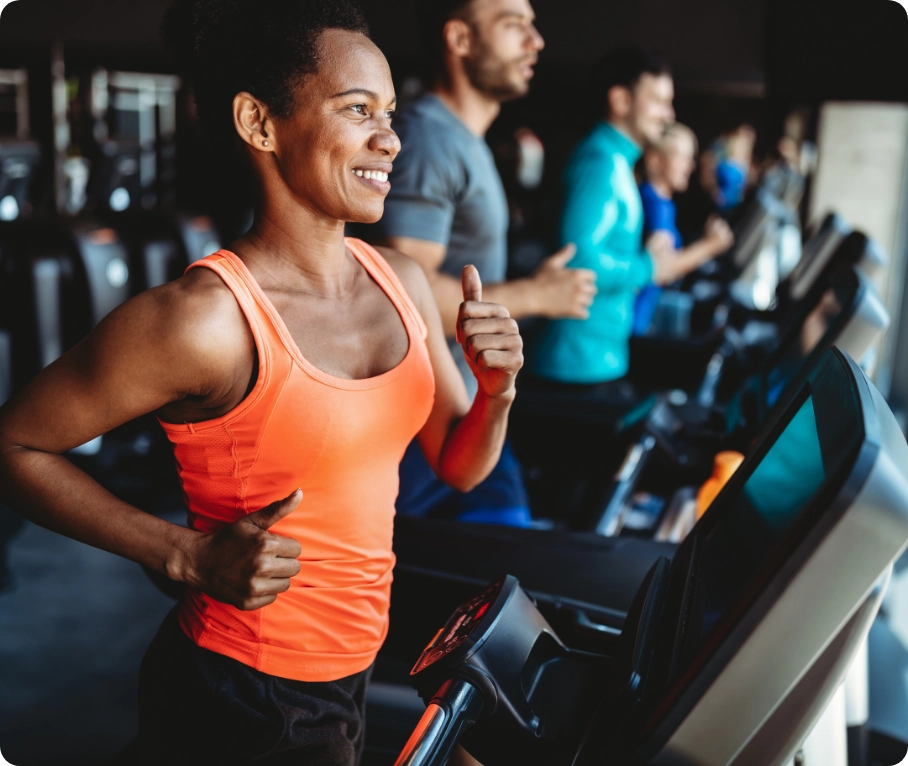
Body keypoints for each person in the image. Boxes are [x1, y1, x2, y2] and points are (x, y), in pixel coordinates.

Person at [0, 1, 524, 763]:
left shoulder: (402, 282)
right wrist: (181, 555)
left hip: (347, 666)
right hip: (243, 692)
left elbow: (462, 464)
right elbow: (15, 444)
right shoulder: (206, 321)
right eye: (356, 110)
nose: (389, 138)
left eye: (389, 112)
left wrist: (496, 392)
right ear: (259, 123)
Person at [368, 0, 596, 525]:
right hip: (426, 428)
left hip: (469, 407)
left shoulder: (463, 139)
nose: (536, 41)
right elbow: (409, 287)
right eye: (514, 25)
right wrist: (537, 296)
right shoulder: (428, 138)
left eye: (534, 26)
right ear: (460, 40)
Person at [531, 47, 723, 390]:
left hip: (596, 357)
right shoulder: (600, 163)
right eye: (658, 101)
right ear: (620, 100)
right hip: (578, 363)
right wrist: (650, 266)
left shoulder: (617, 162)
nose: (669, 114)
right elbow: (579, 260)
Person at [634, 122, 734, 335]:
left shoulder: (662, 203)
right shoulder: (654, 204)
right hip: (636, 325)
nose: (690, 166)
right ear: (655, 160)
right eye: (682, 157)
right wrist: (711, 245)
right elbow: (663, 271)